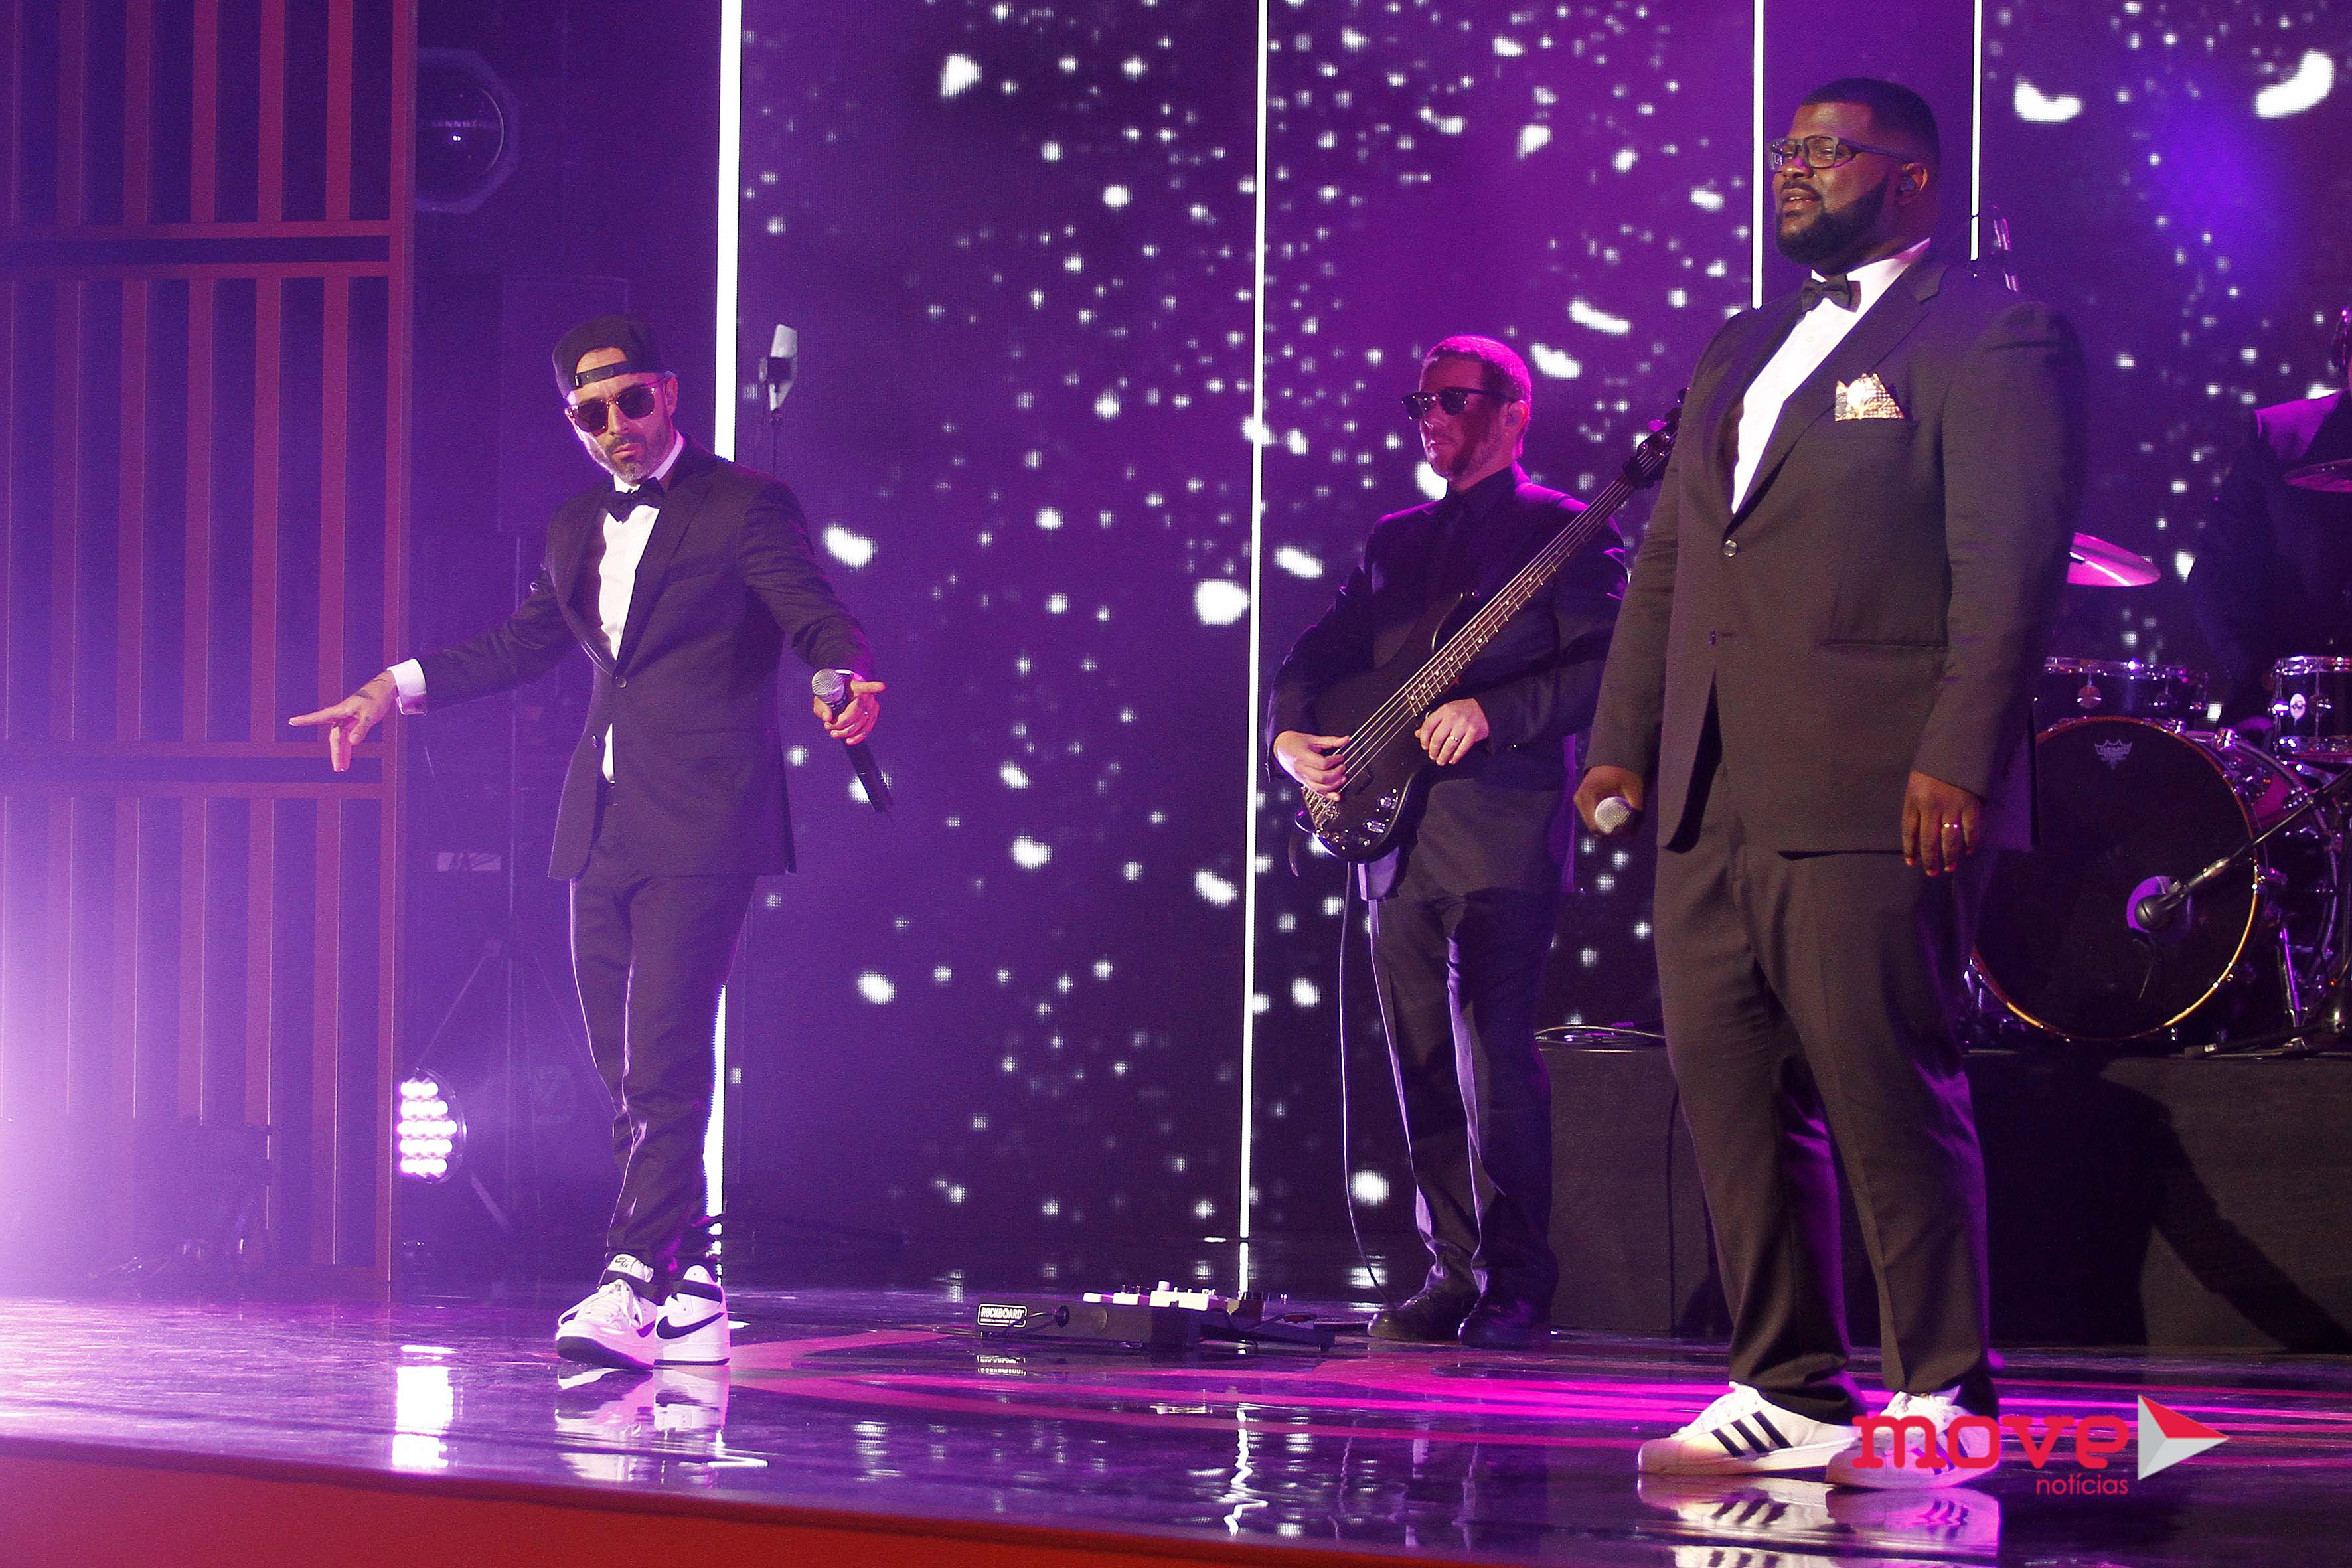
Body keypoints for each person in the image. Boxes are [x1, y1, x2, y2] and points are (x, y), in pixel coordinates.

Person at [1575, 79, 2085, 1486]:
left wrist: (1957, 754)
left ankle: (1941, 1391)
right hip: (1712, 785)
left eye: (1823, 151)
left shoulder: (1990, 331)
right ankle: (1786, 1383)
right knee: (1732, 1090)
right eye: (1783, 151)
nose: (1790, 172)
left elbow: (2007, 570)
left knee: (1880, 1086)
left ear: (1909, 175)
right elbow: (1673, 563)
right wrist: (1622, 738)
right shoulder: (1739, 342)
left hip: (1875, 778)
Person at [293, 316, 882, 1369]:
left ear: (668, 393)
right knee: (626, 1071)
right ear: (573, 422)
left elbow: (814, 615)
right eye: (592, 412)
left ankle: (633, 1280)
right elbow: (524, 644)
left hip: (705, 815)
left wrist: (843, 676)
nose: (617, 425)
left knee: (661, 1058)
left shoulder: (743, 504)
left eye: (632, 401)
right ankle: (693, 1289)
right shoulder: (575, 525)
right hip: (601, 823)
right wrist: (392, 686)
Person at [1269, 335, 1625, 1351]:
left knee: (1491, 1055)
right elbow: (1314, 654)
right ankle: (1451, 1270)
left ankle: (1516, 1280)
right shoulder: (1394, 539)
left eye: (1453, 399)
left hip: (1500, 830)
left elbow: (1608, 665)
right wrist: (1286, 735)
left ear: (1514, 411)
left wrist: (1492, 714)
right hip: (1393, 837)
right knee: (1420, 1058)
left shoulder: (1562, 528)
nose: (1430, 417)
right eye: (1418, 401)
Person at [2189, 309, 2352, 724]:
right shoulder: (2283, 437)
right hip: (2287, 696)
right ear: (2345, 357)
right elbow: (2215, 573)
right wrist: (2259, 671)